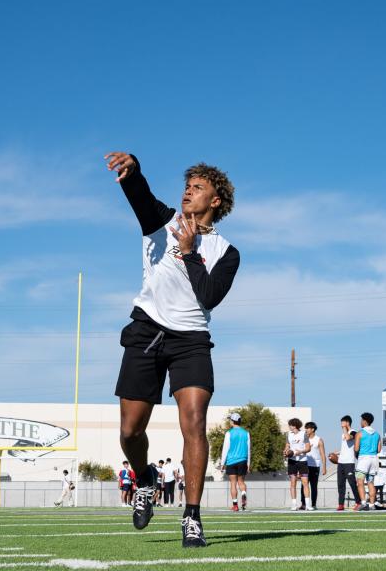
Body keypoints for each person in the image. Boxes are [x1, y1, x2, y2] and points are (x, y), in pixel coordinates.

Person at [107, 152, 239, 548]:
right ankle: (145, 478)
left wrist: (190, 251)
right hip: (146, 330)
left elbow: (210, 296)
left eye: (198, 188)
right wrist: (134, 169)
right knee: (130, 430)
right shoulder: (160, 221)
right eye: (187, 185)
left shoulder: (227, 252)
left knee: (194, 423)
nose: (188, 192)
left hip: (191, 341)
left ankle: (192, 517)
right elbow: (139, 194)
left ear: (215, 201)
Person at [220, 412, 251, 512]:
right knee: (241, 482)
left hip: (231, 461)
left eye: (230, 420)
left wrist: (222, 464)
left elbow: (225, 449)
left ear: (233, 421)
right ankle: (243, 493)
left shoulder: (229, 433)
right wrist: (248, 463)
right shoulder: (246, 433)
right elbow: (248, 449)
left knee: (233, 483)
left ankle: (235, 505)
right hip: (243, 460)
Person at [353, 412, 382, 511]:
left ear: (365, 421)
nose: (360, 422)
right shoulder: (377, 434)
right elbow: (379, 450)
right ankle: (372, 504)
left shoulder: (359, 433)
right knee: (371, 482)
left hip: (364, 459)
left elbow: (356, 448)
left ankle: (364, 503)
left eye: (361, 420)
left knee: (360, 482)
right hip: (374, 459)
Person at [284, 418, 312, 510]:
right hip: (292, 461)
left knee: (305, 483)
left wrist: (300, 452)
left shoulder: (304, 434)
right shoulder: (289, 435)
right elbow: (287, 446)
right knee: (293, 483)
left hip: (302, 461)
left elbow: (308, 448)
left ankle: (308, 505)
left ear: (294, 425)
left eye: (290, 425)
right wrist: (285, 451)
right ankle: (294, 504)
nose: (289, 427)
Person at [335, 416, 361, 511]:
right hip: (341, 462)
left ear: (347, 422)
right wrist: (335, 453)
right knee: (340, 484)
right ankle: (341, 504)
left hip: (349, 462)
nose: (341, 424)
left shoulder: (353, 432)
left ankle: (358, 502)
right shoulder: (343, 434)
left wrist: (344, 429)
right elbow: (344, 448)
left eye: (343, 422)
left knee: (352, 483)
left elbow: (348, 438)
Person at [300, 422, 326, 510]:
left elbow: (322, 454)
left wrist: (324, 467)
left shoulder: (319, 440)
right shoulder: (303, 439)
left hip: (315, 466)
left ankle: (314, 504)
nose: (306, 430)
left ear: (313, 429)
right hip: (304, 465)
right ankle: (303, 504)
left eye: (307, 428)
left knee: (314, 486)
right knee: (303, 485)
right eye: (305, 428)